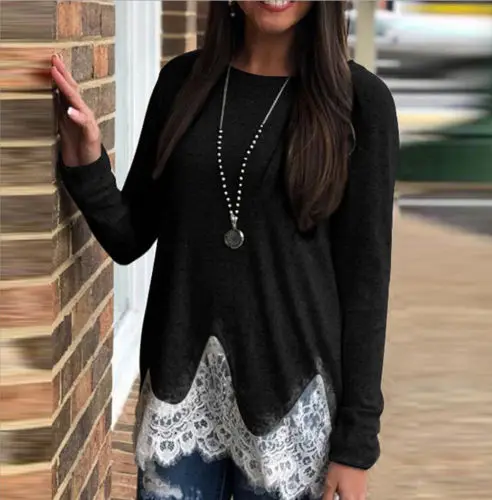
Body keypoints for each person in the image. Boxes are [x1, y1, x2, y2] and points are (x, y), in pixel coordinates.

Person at [51, 1, 399, 499]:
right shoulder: (181, 84)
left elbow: (366, 286)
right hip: (178, 398)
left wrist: (356, 445)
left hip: (291, 412)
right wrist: (86, 162)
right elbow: (129, 237)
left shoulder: (360, 103)